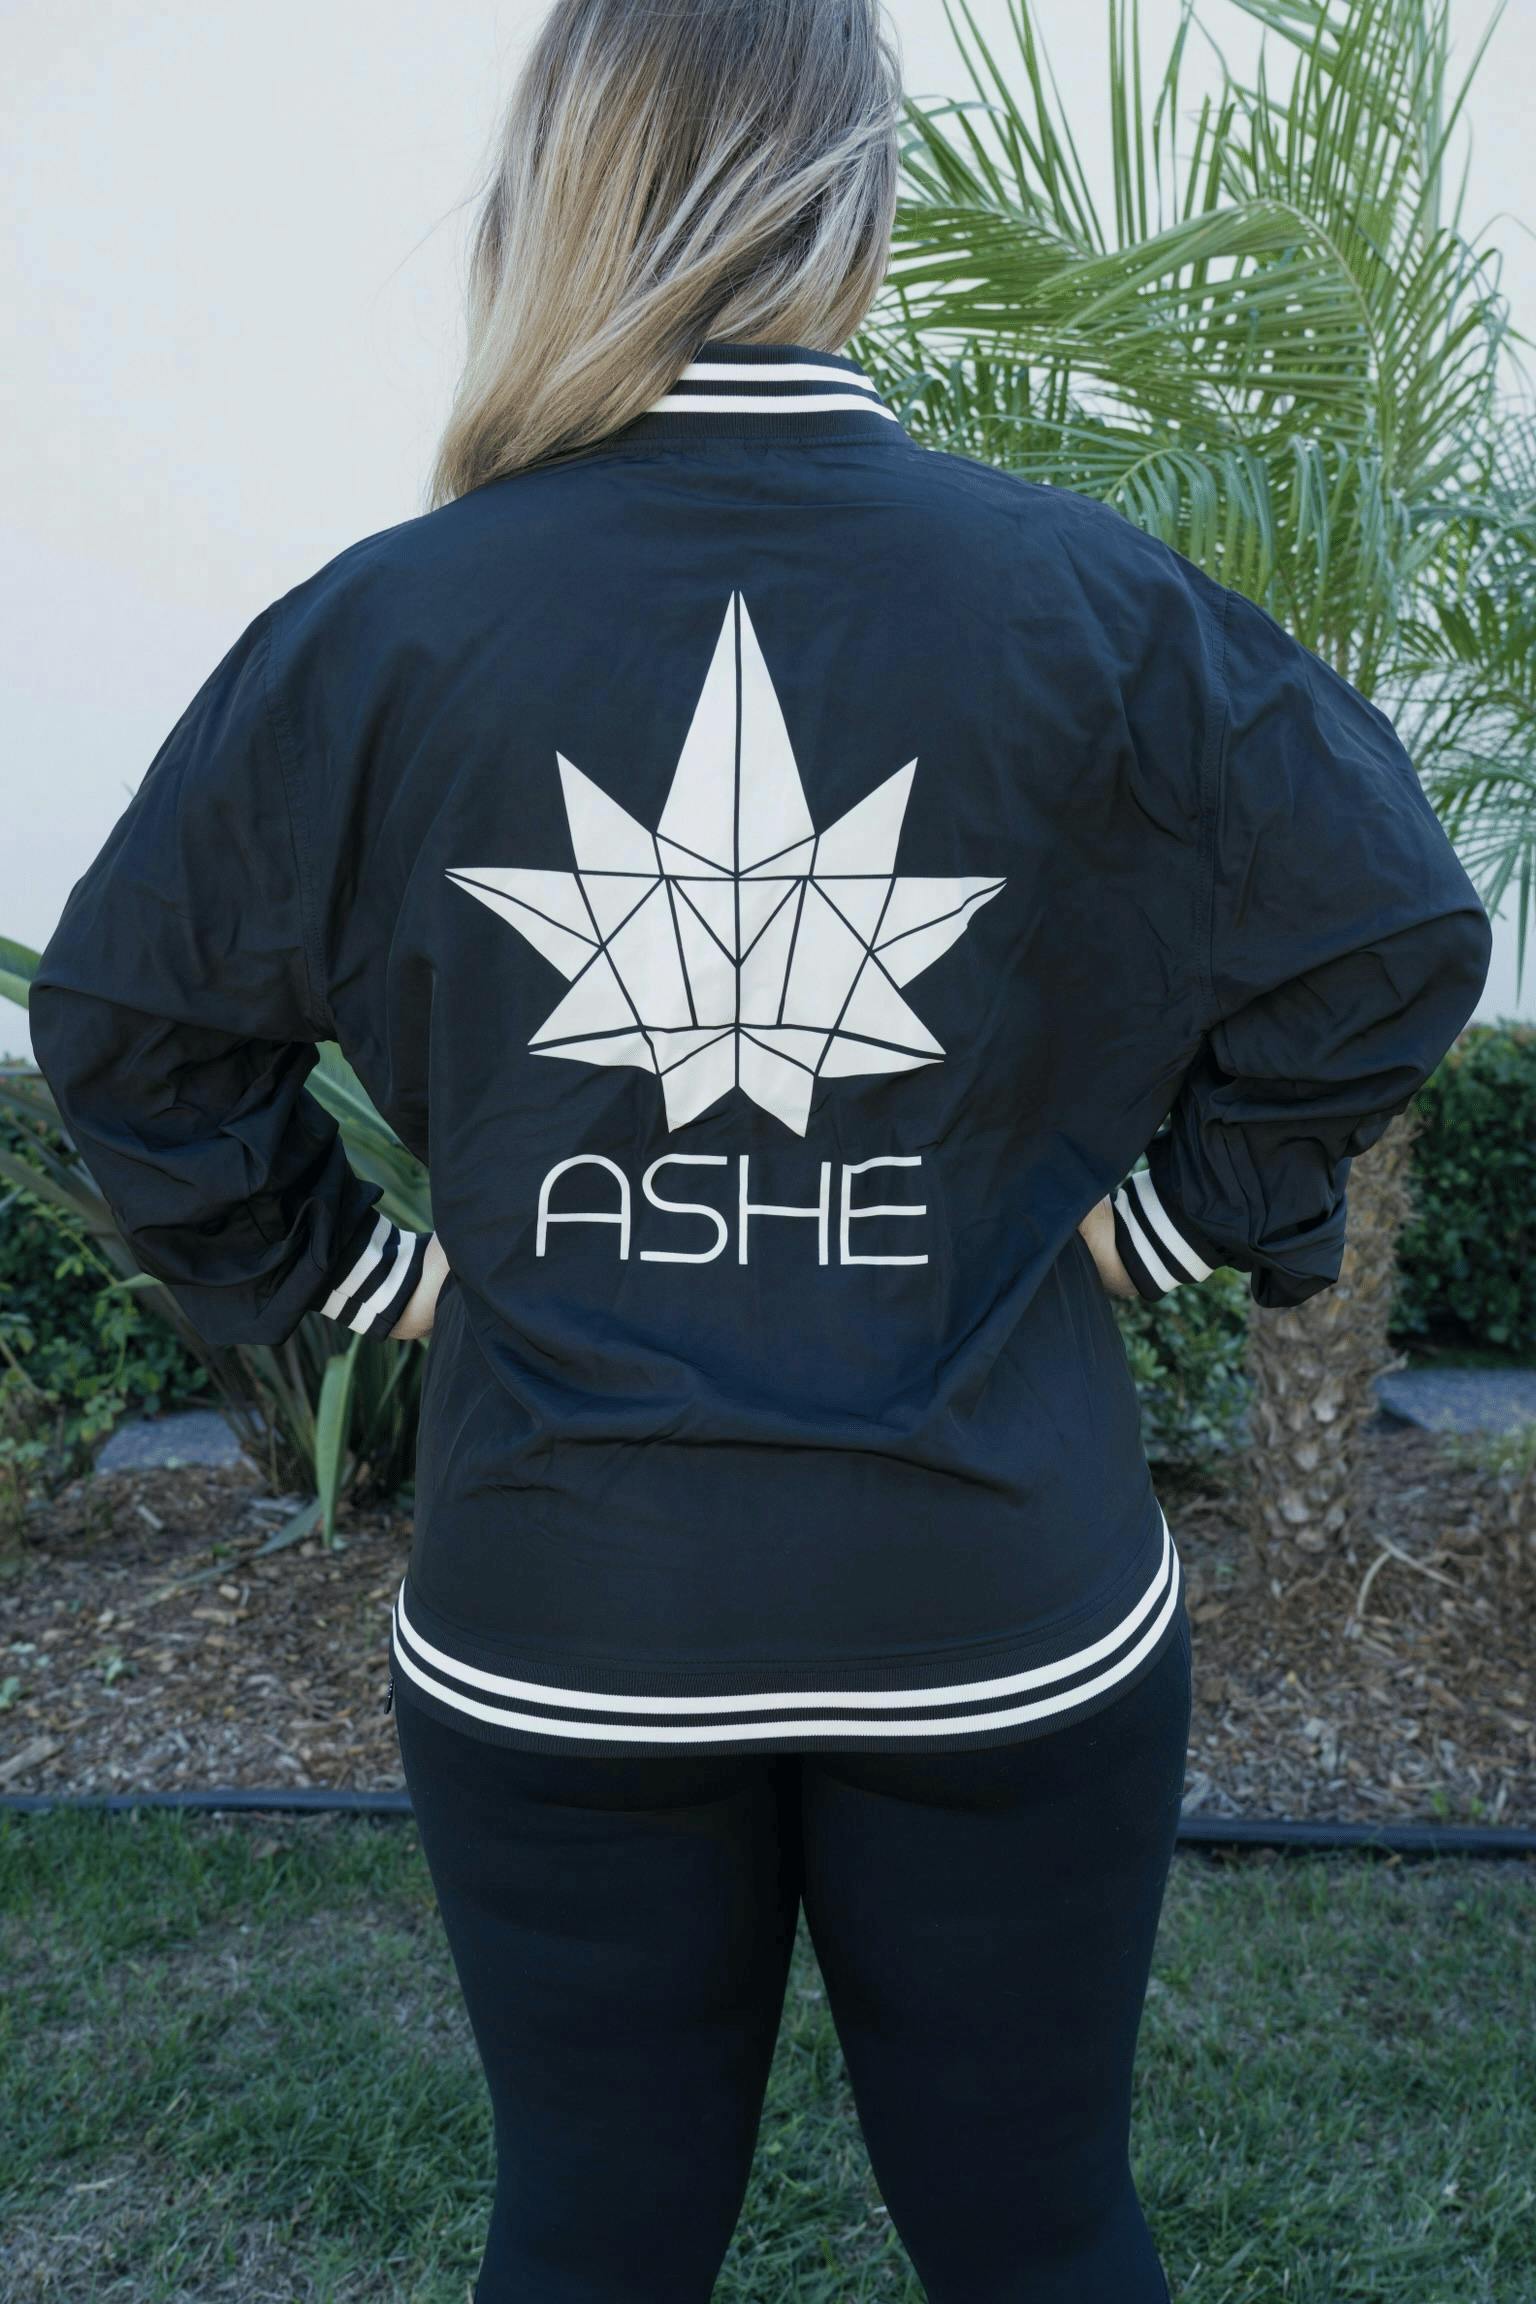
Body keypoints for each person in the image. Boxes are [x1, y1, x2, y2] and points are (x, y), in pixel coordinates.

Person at [28, 2, 1493, 2297]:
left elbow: (127, 1022)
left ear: (561, 196)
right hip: (998, 1600)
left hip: (565, 1614)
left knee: (591, 2237)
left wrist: (368, 1280)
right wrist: (1166, 1225)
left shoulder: (383, 627)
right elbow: (1392, 929)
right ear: (857, 210)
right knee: (1040, 2236)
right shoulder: (1084, 599)